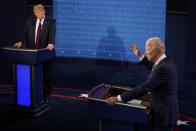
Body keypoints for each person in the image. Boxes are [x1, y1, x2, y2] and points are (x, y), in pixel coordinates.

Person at [106, 37, 179, 131]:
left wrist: (118, 98)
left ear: (156, 50)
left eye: (147, 50)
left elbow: (144, 87)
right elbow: (153, 66)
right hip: (165, 110)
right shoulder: (165, 60)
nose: (145, 52)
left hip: (164, 114)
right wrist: (140, 55)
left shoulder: (163, 68)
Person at [14, 4, 56, 104]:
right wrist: (20, 41)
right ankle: (32, 95)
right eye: (36, 13)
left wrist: (51, 43)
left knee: (46, 76)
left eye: (40, 12)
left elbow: (52, 33)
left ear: (44, 11)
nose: (38, 14)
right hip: (31, 54)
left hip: (45, 53)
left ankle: (46, 96)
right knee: (32, 75)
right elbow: (24, 33)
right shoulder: (30, 21)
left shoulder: (50, 21)